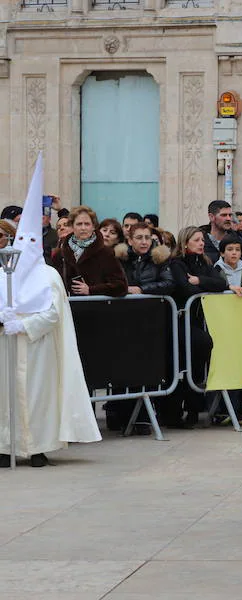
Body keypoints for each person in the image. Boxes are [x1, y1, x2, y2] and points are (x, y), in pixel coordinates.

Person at [1, 157, 102, 467]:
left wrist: (24, 324)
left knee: (39, 398)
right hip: (6, 346)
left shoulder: (48, 276)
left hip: (37, 347)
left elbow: (53, 314)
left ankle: (38, 447)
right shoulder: (5, 272)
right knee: (6, 398)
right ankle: (7, 446)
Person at [167, 226, 228, 428]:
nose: (202, 243)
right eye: (197, 240)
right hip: (178, 320)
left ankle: (193, 411)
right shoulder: (177, 263)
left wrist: (200, 280)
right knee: (180, 363)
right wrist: (202, 286)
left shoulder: (204, 262)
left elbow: (220, 284)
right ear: (185, 243)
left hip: (197, 320)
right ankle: (174, 413)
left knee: (195, 364)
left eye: (202, 240)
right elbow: (186, 288)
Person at [52, 206, 127, 298]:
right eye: (79, 224)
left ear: (93, 226)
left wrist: (91, 290)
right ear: (72, 226)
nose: (83, 228)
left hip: (96, 308)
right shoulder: (60, 254)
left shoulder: (105, 253)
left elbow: (121, 286)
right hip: (69, 308)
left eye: (87, 224)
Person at [116, 222, 175, 297]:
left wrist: (142, 289)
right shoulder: (120, 258)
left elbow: (169, 283)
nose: (144, 242)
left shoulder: (160, 258)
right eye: (139, 238)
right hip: (124, 305)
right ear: (130, 241)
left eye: (147, 238)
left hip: (152, 305)